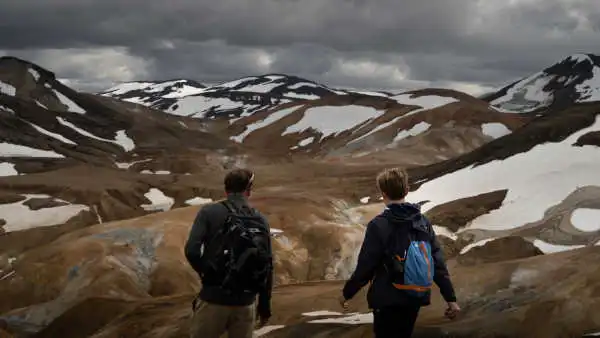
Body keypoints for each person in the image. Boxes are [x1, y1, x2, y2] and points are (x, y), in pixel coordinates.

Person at [339, 167, 460, 338]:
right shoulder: (422, 222)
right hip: (415, 296)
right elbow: (437, 262)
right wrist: (451, 299)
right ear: (407, 190)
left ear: (383, 193)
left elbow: (366, 266)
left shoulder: (378, 225)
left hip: (386, 298)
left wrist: (347, 294)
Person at [185, 168, 273, 338]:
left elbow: (192, 251)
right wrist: (264, 306)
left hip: (214, 299)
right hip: (246, 304)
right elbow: (267, 264)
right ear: (248, 191)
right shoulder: (260, 219)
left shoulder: (209, 213)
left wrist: (208, 274)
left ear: (226, 190)